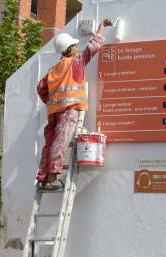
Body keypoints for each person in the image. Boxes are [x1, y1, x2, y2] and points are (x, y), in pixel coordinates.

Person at [36, 19, 114, 189]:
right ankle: (53, 177)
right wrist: (102, 26)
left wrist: (50, 102)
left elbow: (41, 87)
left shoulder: (54, 69)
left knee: (50, 142)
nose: (77, 48)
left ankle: (43, 175)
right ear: (69, 49)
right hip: (69, 111)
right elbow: (94, 45)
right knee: (61, 142)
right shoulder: (76, 62)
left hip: (54, 112)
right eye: (75, 46)